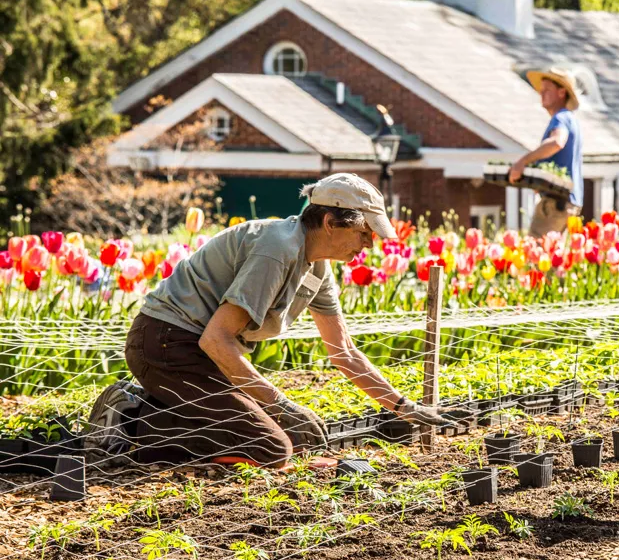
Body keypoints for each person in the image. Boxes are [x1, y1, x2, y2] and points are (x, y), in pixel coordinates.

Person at [85, 173, 450, 468]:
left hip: (199, 355)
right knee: (271, 447)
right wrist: (282, 404)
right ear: (329, 222)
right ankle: (132, 421)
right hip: (167, 345)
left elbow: (344, 353)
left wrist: (406, 408)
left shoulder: (317, 267)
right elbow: (216, 340)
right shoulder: (277, 248)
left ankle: (150, 408)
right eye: (364, 233)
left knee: (271, 434)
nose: (368, 245)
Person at [510, 66, 583, 238]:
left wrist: (523, 162)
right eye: (541, 90)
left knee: (536, 256)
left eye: (547, 90)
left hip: (555, 203)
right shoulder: (570, 119)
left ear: (561, 92)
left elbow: (557, 142)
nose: (541, 94)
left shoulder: (561, 118)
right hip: (567, 203)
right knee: (552, 258)